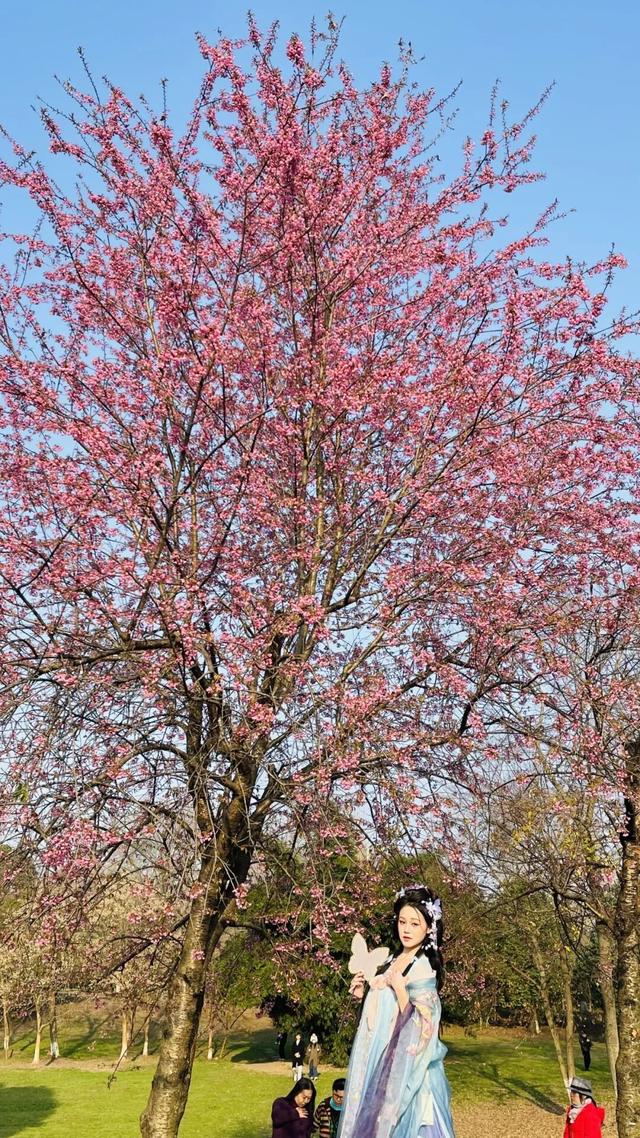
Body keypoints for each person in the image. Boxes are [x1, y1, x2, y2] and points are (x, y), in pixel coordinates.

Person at [339, 884, 455, 1138]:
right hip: (379, 1063)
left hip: (407, 1075)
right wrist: (364, 995)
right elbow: (385, 1014)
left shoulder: (424, 967)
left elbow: (426, 1027)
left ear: (429, 927)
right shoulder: (391, 960)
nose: (407, 929)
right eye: (403, 921)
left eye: (415, 923)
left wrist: (401, 990)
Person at [576, 1004, 592, 1071]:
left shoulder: (587, 1018)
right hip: (583, 1039)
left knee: (587, 1054)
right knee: (586, 1053)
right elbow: (579, 1028)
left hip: (586, 1038)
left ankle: (587, 1067)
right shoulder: (580, 1019)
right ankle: (586, 1067)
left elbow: (589, 1027)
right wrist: (583, 1034)